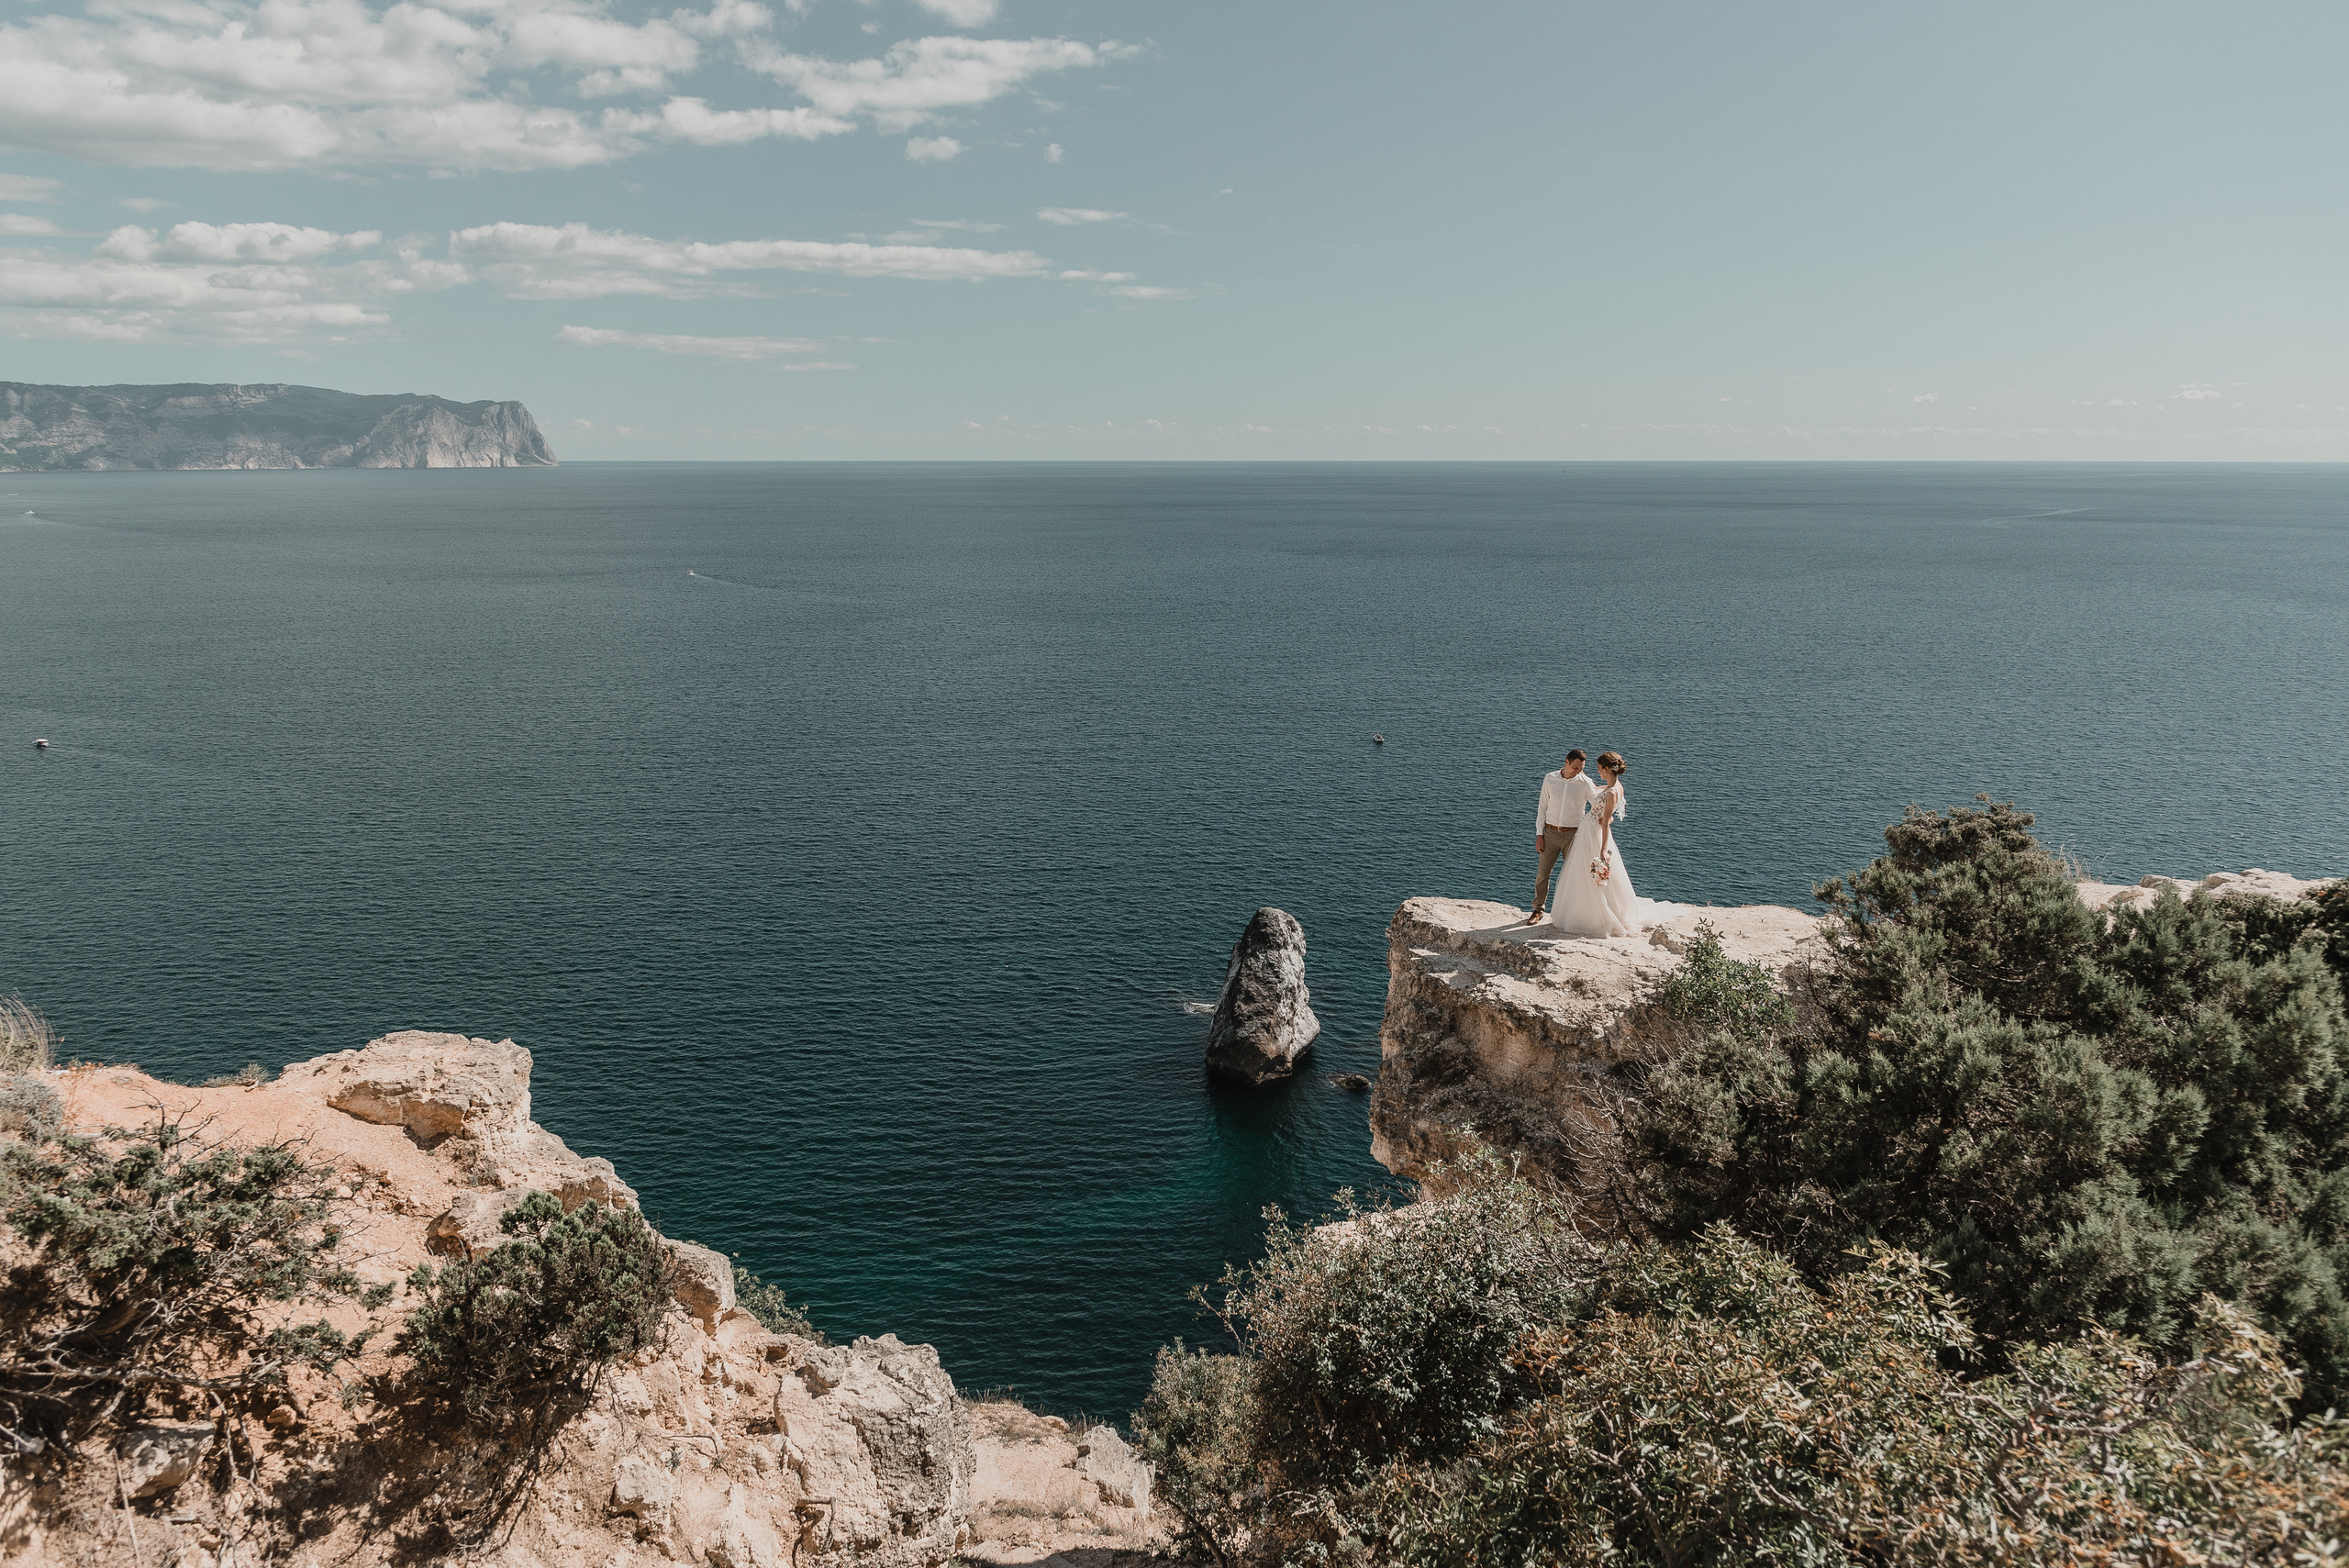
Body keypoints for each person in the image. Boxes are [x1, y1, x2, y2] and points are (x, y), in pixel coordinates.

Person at [1546, 751, 1653, 937]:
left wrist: (1603, 849)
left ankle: (1593, 916)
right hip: (1588, 832)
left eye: (1598, 768)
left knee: (1589, 876)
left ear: (1606, 768)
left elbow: (1605, 821)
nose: (1597, 771)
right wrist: (1580, 773)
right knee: (1587, 875)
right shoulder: (1614, 787)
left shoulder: (1612, 792)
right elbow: (1598, 792)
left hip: (1593, 836)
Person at [1528, 749, 1596, 925]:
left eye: (1581, 768)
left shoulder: (1585, 783)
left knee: (1574, 875)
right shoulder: (1550, 778)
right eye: (1575, 767)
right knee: (1543, 874)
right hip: (1549, 833)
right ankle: (1538, 910)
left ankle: (1574, 913)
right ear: (1566, 762)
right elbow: (1542, 807)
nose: (1578, 771)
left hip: (1573, 835)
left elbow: (1597, 804)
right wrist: (1539, 834)